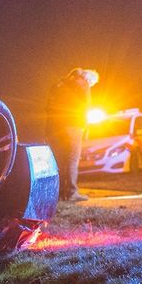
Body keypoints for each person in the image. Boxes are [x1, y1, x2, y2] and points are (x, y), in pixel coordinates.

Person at [46, 67, 99, 202]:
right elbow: (85, 107)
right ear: (89, 79)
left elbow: (49, 106)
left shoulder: (60, 85)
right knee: (72, 159)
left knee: (60, 159)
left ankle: (58, 193)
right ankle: (71, 193)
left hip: (55, 126)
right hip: (74, 126)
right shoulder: (83, 85)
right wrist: (85, 127)